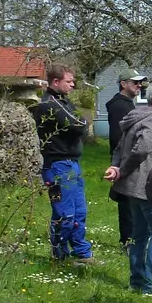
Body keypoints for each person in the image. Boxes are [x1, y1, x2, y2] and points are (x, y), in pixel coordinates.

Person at [103, 83, 152, 295]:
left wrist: (117, 167)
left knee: (139, 233)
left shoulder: (136, 116)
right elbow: (141, 149)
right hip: (147, 187)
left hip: (130, 187)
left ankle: (136, 281)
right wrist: (123, 169)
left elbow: (119, 147)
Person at [30, 64, 99, 265]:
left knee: (79, 211)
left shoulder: (64, 102)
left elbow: (82, 123)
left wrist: (82, 123)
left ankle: (82, 252)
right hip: (57, 166)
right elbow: (79, 126)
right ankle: (59, 255)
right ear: (55, 82)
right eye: (68, 81)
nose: (72, 85)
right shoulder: (49, 105)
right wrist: (82, 123)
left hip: (72, 164)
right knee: (64, 213)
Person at [105, 71, 148, 249]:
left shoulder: (128, 104)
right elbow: (119, 137)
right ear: (123, 84)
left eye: (140, 83)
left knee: (131, 201)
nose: (139, 86)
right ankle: (128, 241)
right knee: (127, 202)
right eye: (135, 83)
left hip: (128, 159)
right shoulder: (120, 106)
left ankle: (132, 239)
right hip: (125, 160)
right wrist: (121, 163)